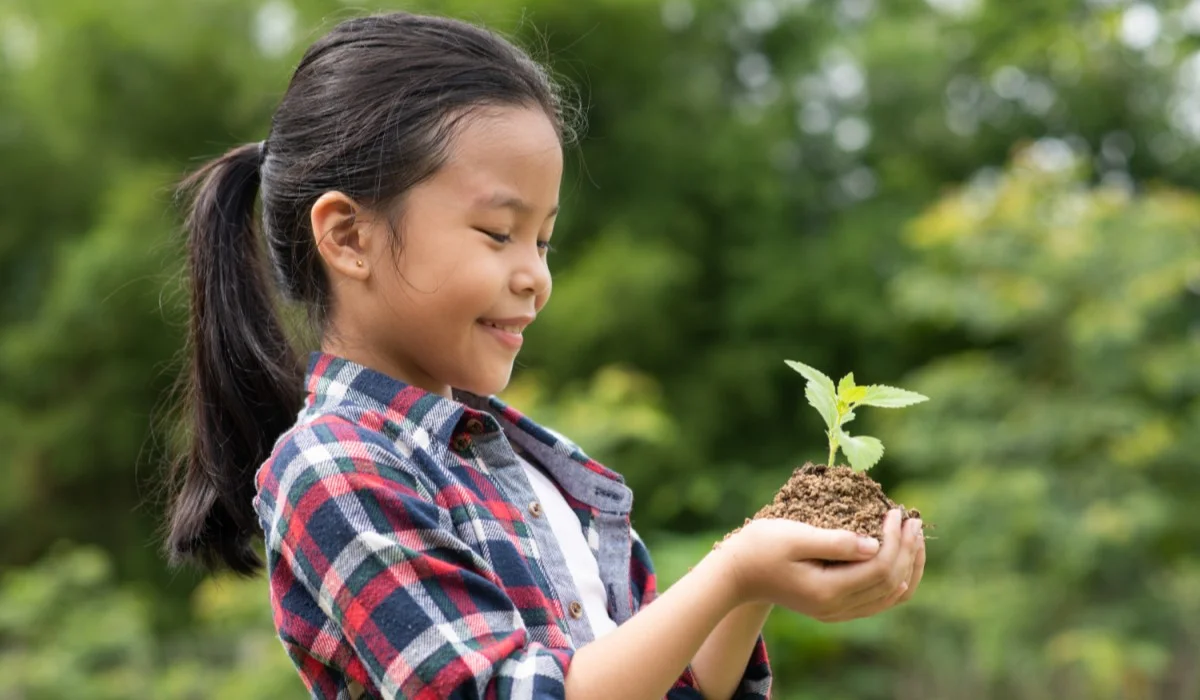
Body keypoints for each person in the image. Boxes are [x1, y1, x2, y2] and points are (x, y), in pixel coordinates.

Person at [163, 11, 926, 700]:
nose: (535, 275)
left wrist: (753, 581)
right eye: (499, 233)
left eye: (544, 239)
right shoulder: (335, 468)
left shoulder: (544, 471)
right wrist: (731, 572)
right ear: (348, 236)